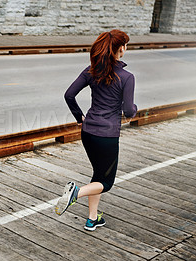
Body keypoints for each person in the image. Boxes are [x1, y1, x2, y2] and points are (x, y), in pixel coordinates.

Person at [54, 29, 138, 231]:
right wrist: (134, 110)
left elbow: (69, 95)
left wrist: (79, 117)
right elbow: (128, 111)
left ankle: (92, 218)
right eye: (125, 45)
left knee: (98, 174)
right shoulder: (126, 77)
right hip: (107, 136)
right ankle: (76, 193)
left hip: (88, 132)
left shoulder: (91, 71)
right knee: (107, 182)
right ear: (120, 49)